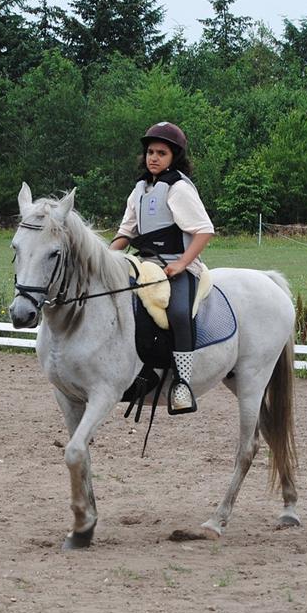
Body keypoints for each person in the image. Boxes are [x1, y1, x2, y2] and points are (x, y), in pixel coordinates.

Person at [110, 122, 215, 414]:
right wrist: (103, 258)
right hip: (145, 264)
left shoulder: (179, 188)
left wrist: (182, 263)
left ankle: (182, 384)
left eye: (161, 153)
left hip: (178, 265)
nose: (154, 158)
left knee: (178, 313)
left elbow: (204, 230)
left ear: (174, 157)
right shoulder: (139, 189)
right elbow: (126, 232)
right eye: (150, 152)